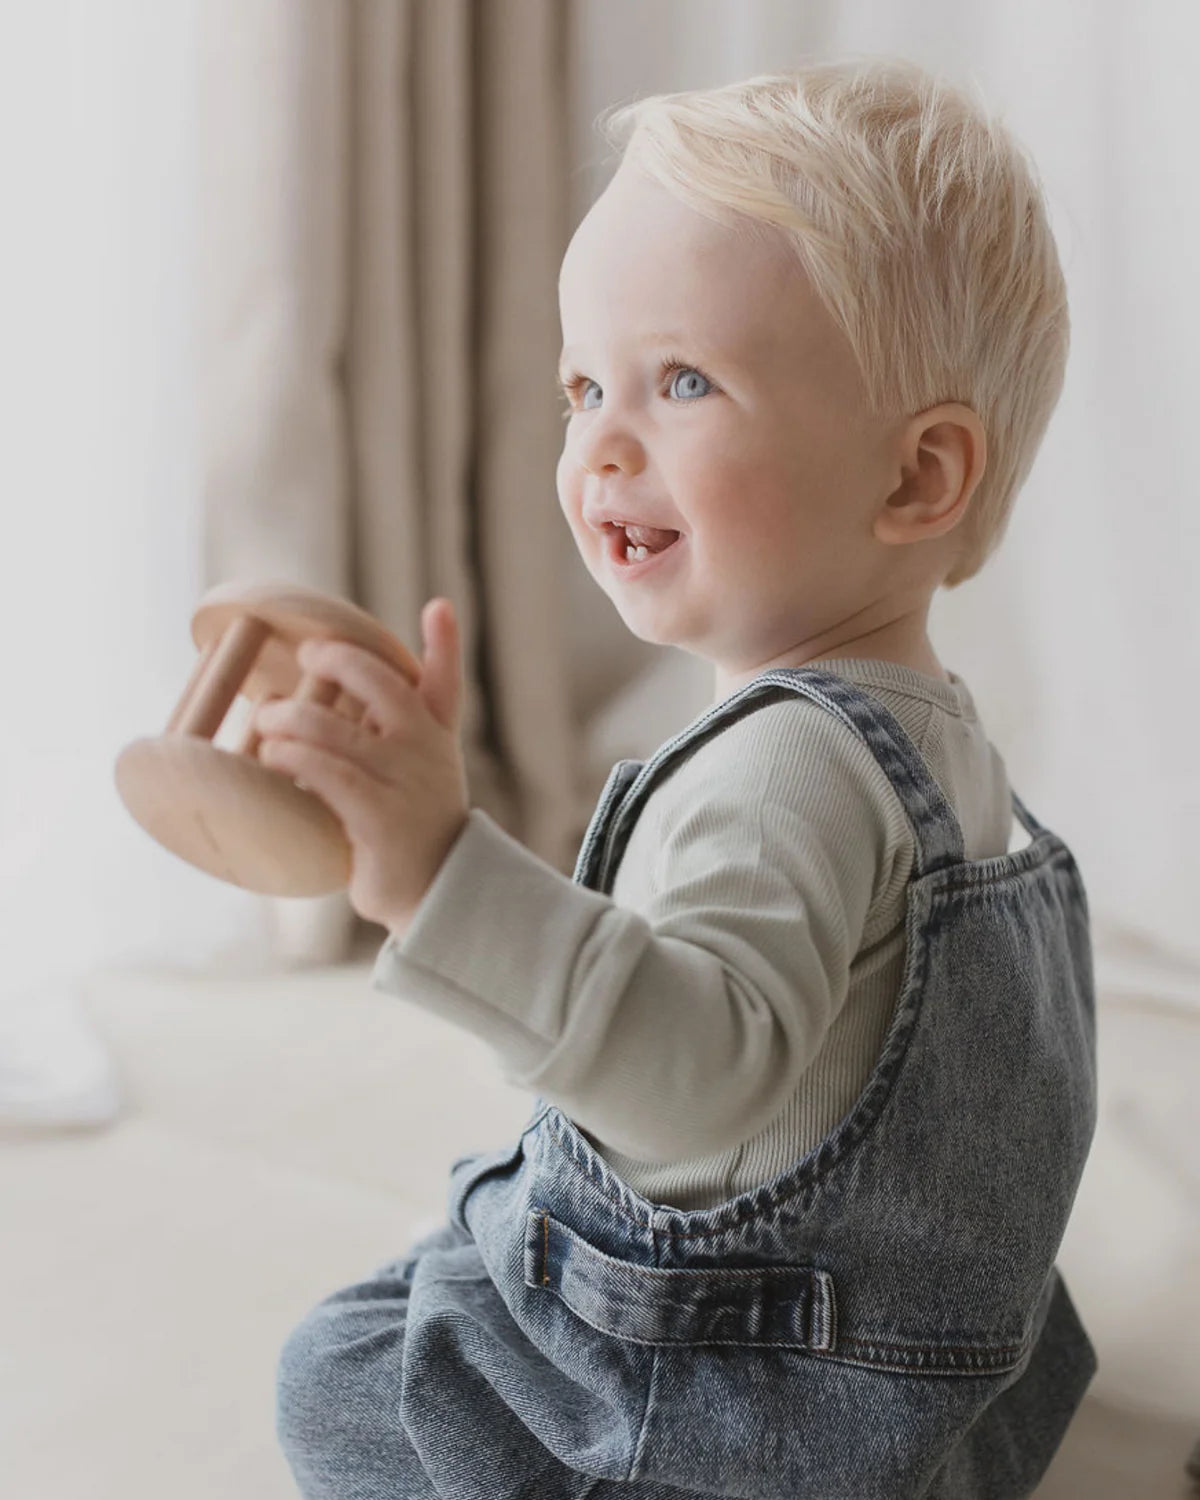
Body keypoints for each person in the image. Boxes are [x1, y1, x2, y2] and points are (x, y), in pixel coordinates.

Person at [258, 57, 1097, 1500]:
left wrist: (437, 869)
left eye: (685, 381)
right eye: (586, 385)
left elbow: (696, 1078)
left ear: (916, 481)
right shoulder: (939, 732)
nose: (600, 443)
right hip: (930, 1360)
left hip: (740, 1406)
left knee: (341, 1375)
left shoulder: (785, 775)